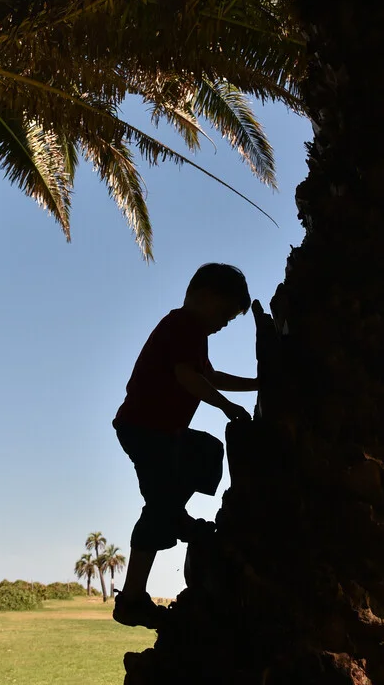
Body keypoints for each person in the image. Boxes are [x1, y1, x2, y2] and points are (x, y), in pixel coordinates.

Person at [112, 263, 258, 629]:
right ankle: (132, 601)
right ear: (205, 296)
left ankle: (175, 515)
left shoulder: (194, 333)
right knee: (159, 507)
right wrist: (226, 407)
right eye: (224, 313)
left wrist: (259, 384)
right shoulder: (183, 325)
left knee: (206, 452)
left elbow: (210, 376)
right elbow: (188, 378)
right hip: (145, 429)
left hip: (164, 432)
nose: (224, 323)